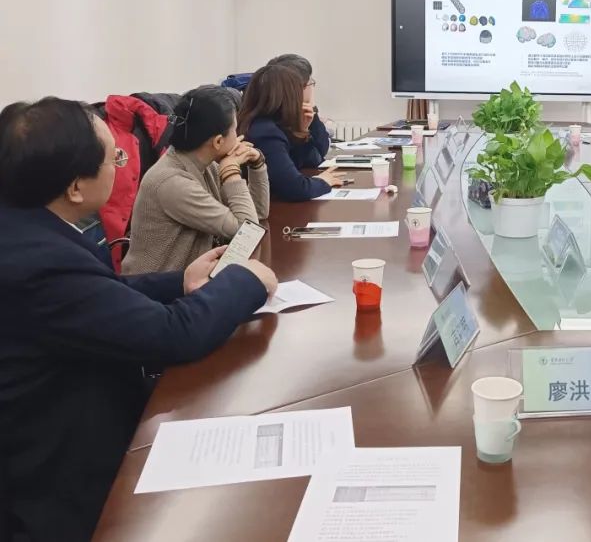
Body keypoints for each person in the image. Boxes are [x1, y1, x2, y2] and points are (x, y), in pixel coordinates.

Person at [0, 98, 277, 541]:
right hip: (59, 482)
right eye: (116, 158)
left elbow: (96, 295)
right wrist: (247, 280)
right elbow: (174, 335)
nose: (124, 167)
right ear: (76, 187)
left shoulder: (27, 228)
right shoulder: (40, 262)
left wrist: (180, 282)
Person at [122, 85, 270, 275]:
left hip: (188, 280)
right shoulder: (172, 182)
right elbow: (248, 232)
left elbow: (258, 213)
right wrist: (231, 173)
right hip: (157, 288)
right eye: (235, 129)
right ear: (218, 142)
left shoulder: (205, 164)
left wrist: (257, 163)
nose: (239, 136)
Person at [239, 65, 344, 201]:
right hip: (269, 209)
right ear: (288, 97)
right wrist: (323, 182)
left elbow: (306, 163)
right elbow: (295, 188)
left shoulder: (262, 123)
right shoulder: (266, 133)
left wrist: (302, 131)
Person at [265, 53, 332, 163]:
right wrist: (303, 132)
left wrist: (313, 109)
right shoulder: (275, 123)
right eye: (310, 83)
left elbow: (323, 148)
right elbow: (312, 160)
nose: (312, 86)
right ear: (299, 88)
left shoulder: (297, 111)